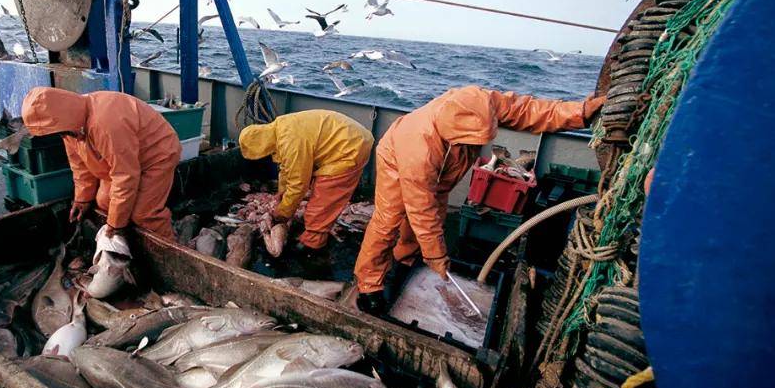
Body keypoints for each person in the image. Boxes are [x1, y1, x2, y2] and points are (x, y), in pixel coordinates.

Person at [353, 85, 605, 314]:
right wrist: (437, 255)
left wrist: (580, 112)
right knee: (389, 221)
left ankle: (404, 260)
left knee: (434, 217)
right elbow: (421, 208)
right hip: (398, 161)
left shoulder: (483, 103)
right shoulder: (419, 148)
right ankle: (368, 284)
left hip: (443, 169)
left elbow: (528, 110)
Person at [21, 87, 182, 241]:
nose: (58, 135)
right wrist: (82, 199)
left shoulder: (106, 124)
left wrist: (116, 225)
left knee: (143, 215)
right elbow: (80, 166)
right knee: (104, 203)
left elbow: (125, 175)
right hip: (121, 162)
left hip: (156, 155)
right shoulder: (69, 128)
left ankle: (171, 252)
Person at [239, 110, 374, 250]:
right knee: (314, 195)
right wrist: (282, 193)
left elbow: (298, 185)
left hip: (349, 148)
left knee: (322, 205)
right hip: (347, 137)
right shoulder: (280, 127)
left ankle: (312, 246)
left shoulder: (291, 143)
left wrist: (283, 213)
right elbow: (287, 168)